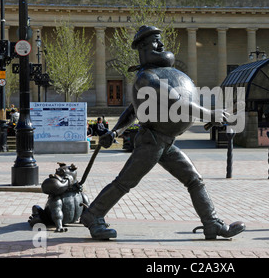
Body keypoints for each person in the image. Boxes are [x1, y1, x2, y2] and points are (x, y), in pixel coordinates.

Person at [80, 25, 245, 240]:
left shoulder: (153, 75)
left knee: (194, 179)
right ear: (143, 48)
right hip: (152, 140)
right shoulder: (146, 78)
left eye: (160, 40)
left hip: (164, 141)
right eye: (155, 42)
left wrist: (115, 132)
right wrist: (209, 114)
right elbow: (176, 102)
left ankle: (211, 223)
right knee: (125, 182)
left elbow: (132, 110)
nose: (162, 45)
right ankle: (93, 215)